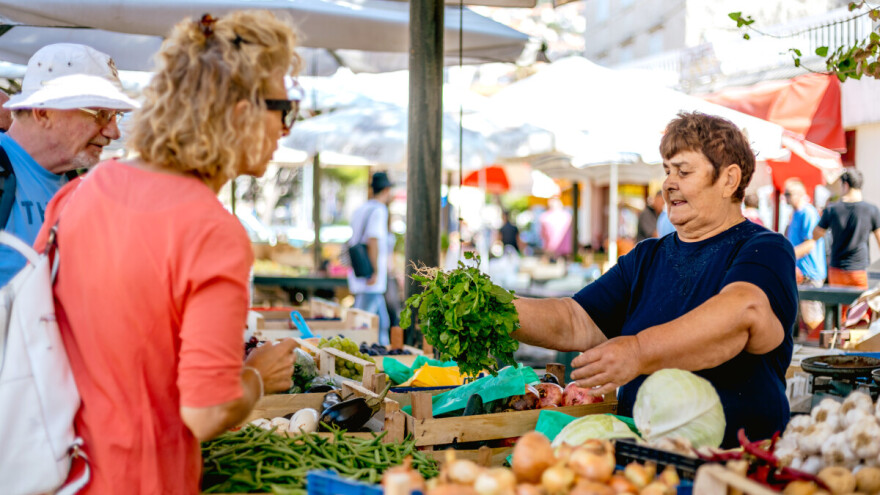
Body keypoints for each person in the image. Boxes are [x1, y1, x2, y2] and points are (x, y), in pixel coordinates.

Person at [33, 11, 301, 493]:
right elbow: (206, 412)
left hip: (63, 473)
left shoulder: (79, 192)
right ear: (239, 115)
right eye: (284, 109)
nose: (285, 129)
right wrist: (256, 378)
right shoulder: (211, 232)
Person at [512, 112, 797, 448]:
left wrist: (638, 351)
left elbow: (742, 311)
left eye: (683, 171)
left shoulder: (764, 248)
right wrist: (493, 307)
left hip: (739, 462)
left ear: (729, 180)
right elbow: (573, 319)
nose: (669, 183)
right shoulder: (646, 257)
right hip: (648, 461)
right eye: (667, 171)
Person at [0, 43, 138, 285]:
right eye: (101, 114)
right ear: (44, 112)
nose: (114, 132)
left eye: (116, 115)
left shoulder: (79, 188)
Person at [812, 168, 880, 289]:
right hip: (859, 270)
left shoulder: (832, 209)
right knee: (859, 301)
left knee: (838, 301)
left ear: (846, 184)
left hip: (837, 269)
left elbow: (816, 234)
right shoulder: (871, 210)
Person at [348, 171, 394, 345]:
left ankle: (383, 348)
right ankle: (364, 350)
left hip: (359, 270)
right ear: (386, 190)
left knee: (381, 321)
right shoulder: (379, 210)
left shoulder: (361, 209)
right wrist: (374, 271)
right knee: (363, 322)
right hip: (370, 275)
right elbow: (373, 240)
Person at [783, 179, 826, 338]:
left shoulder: (807, 213)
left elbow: (810, 243)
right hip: (800, 273)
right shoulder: (795, 214)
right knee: (801, 321)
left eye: (788, 194)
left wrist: (787, 256)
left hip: (810, 273)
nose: (786, 198)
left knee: (812, 318)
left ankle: (819, 347)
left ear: (799, 194)